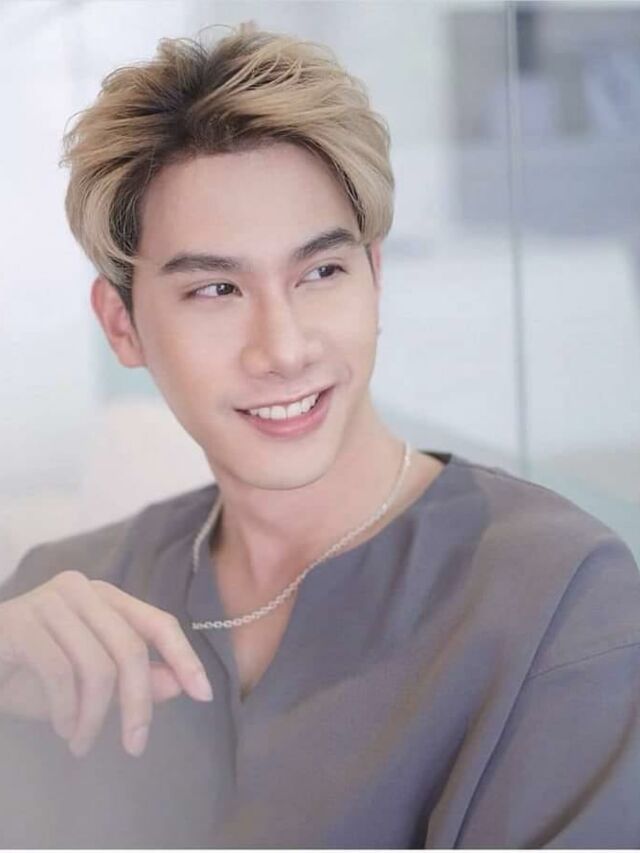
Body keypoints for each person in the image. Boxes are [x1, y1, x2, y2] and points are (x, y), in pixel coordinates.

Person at [1, 21, 639, 850]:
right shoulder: (61, 602)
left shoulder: (559, 599)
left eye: (321, 271)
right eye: (216, 289)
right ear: (122, 325)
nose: (284, 348)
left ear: (375, 277)